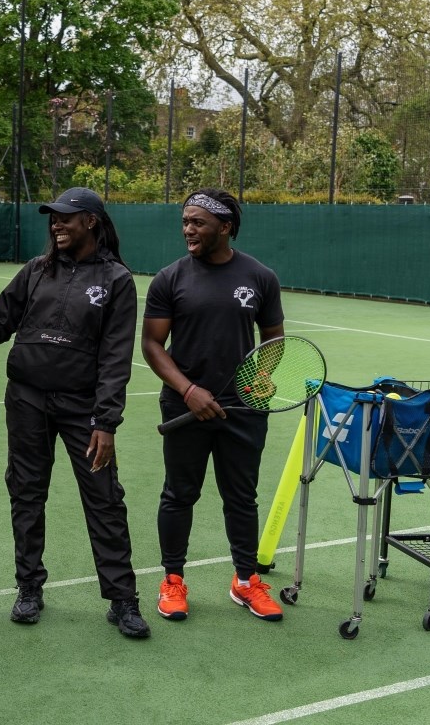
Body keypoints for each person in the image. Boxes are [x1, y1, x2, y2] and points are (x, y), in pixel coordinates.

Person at [0, 187, 149, 639]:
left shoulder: (116, 280)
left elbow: (116, 358)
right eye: (53, 218)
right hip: (26, 400)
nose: (57, 224)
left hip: (84, 409)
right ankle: (29, 588)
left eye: (66, 217)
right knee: (26, 492)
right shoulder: (36, 271)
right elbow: (0, 319)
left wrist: (106, 422)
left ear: (91, 222)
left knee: (104, 499)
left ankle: (122, 599)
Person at [141, 189, 286, 624]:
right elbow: (151, 343)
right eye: (186, 221)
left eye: (198, 222)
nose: (188, 229)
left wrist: (263, 372)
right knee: (179, 494)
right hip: (186, 408)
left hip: (243, 410)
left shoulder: (260, 276)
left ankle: (245, 581)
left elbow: (274, 336)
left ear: (225, 227)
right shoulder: (170, 278)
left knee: (241, 497)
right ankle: (172, 581)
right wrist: (188, 391)